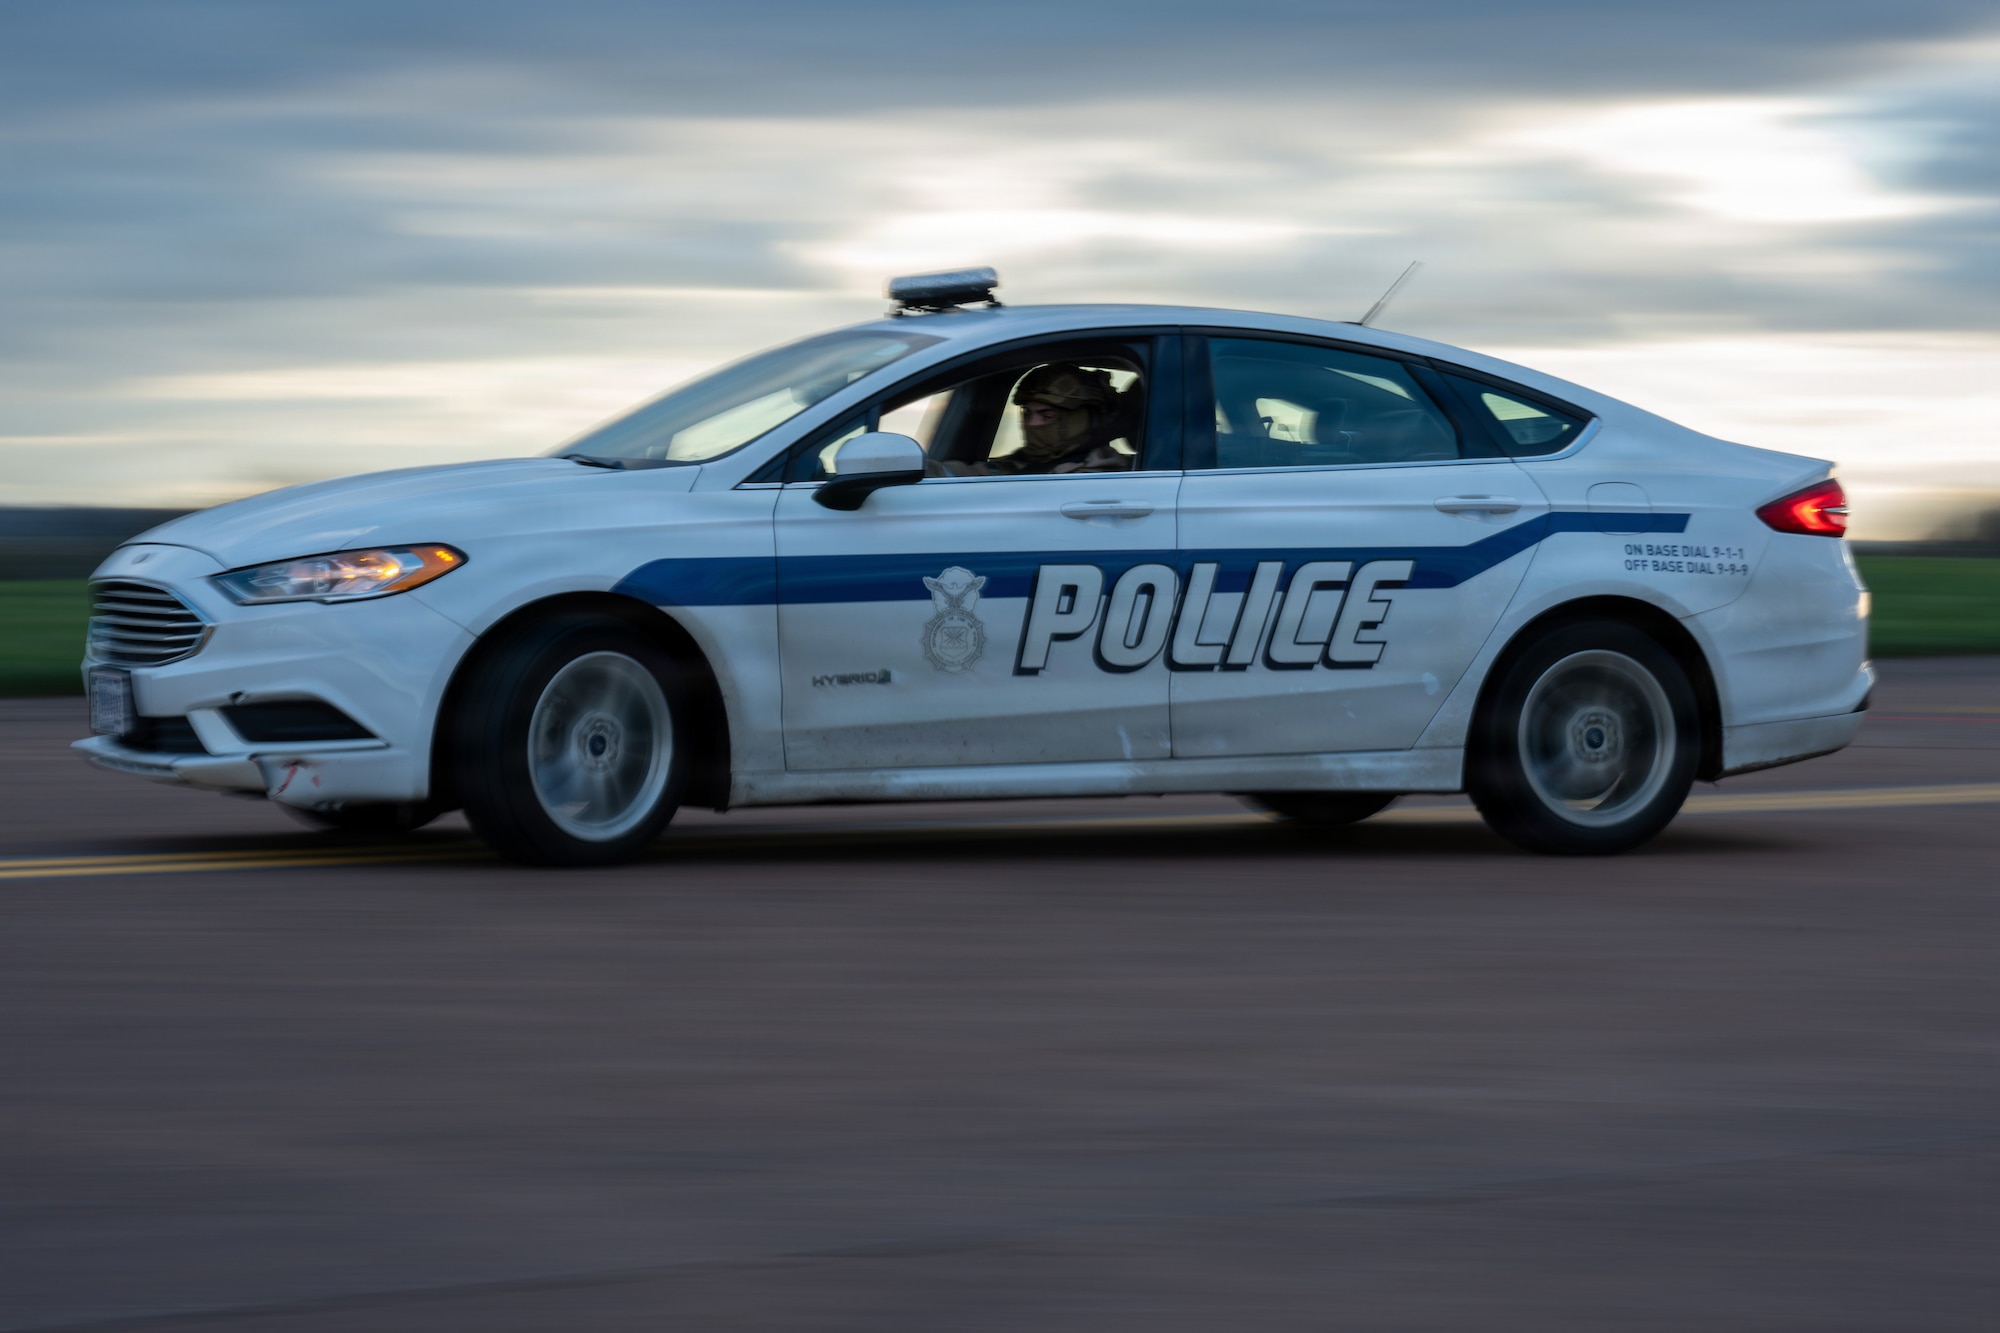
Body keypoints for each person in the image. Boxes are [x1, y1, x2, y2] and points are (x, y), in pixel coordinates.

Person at [978, 363, 1137, 474]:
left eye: (1047, 416)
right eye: (1027, 414)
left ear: (1087, 419)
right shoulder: (1017, 463)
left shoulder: (1101, 473)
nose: (1031, 423)